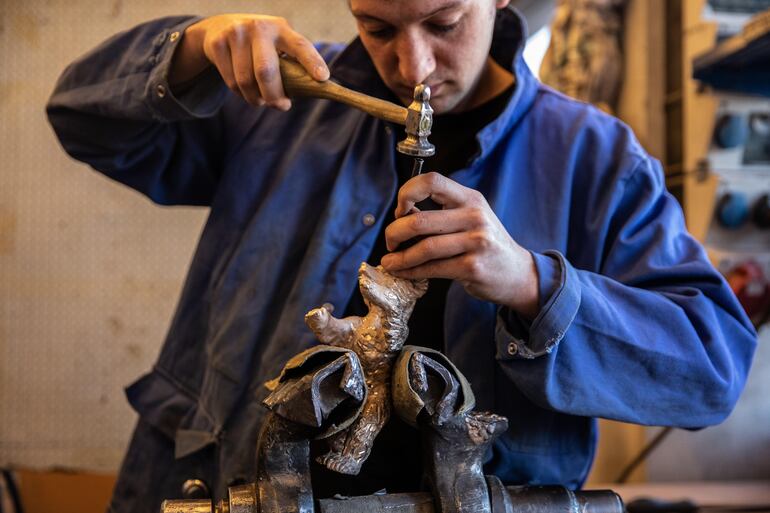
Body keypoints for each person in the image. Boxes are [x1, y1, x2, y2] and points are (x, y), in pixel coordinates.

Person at [46, 1, 757, 511]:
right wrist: (190, 51)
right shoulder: (286, 102)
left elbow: (710, 369)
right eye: (378, 27)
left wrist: (532, 283)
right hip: (233, 487)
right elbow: (83, 120)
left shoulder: (594, 158)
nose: (412, 65)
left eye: (444, 23)